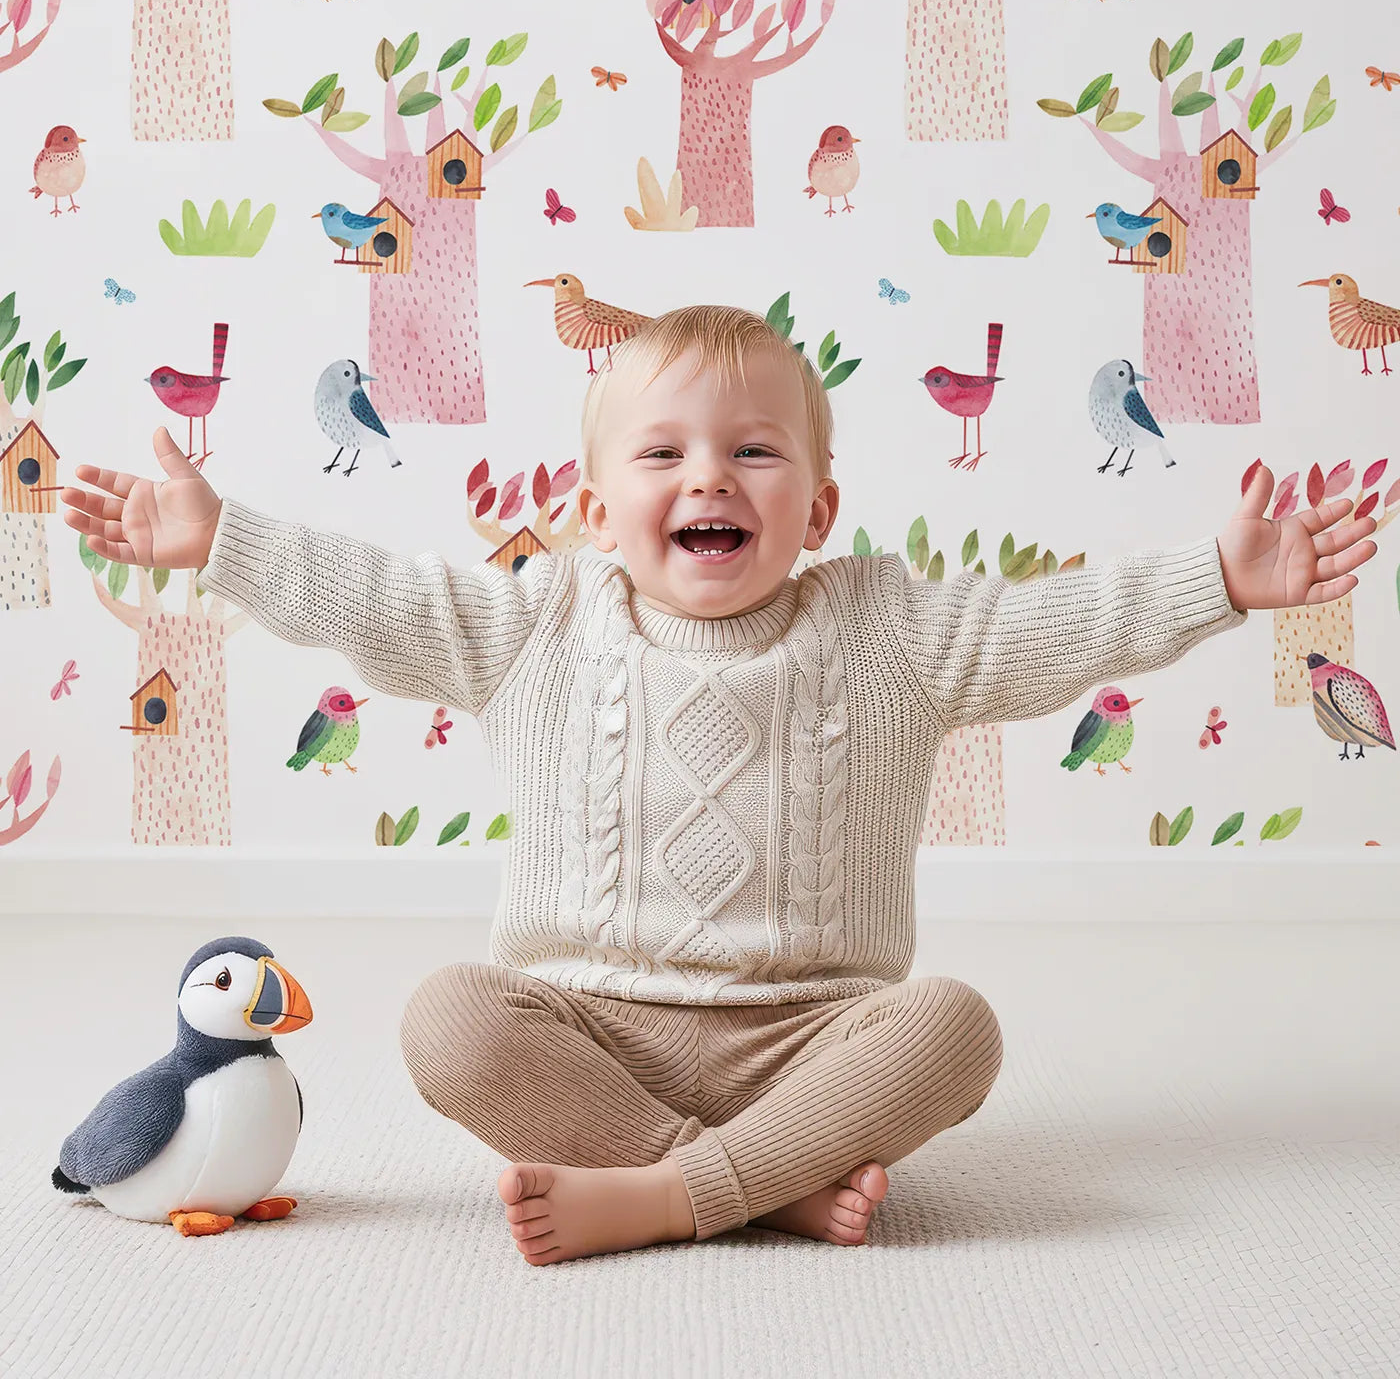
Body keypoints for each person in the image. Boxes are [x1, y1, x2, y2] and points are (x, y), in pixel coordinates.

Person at [59, 304, 1378, 1267]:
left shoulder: (887, 631)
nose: (708, 476)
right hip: (589, 1037)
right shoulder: (538, 622)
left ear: (818, 510)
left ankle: (669, 1194)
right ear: (592, 511)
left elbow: (1060, 627)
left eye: (754, 452)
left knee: (955, 1028)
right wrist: (224, 541)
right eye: (662, 455)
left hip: (815, 1040)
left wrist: (1219, 579)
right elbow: (377, 597)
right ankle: (754, 1187)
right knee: (446, 1021)